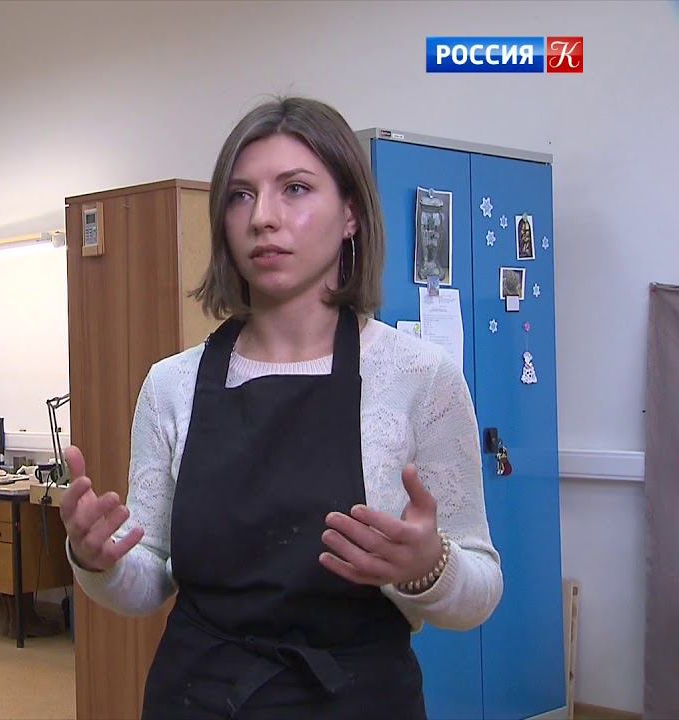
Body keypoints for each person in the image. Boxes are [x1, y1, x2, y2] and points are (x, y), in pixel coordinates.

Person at [59, 97, 502, 719]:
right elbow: (149, 578)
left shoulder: (420, 378)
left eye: (295, 189)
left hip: (356, 701)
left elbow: (480, 590)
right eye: (241, 196)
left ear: (351, 214)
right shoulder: (171, 385)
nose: (263, 217)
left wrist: (429, 568)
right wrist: (95, 561)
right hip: (197, 697)